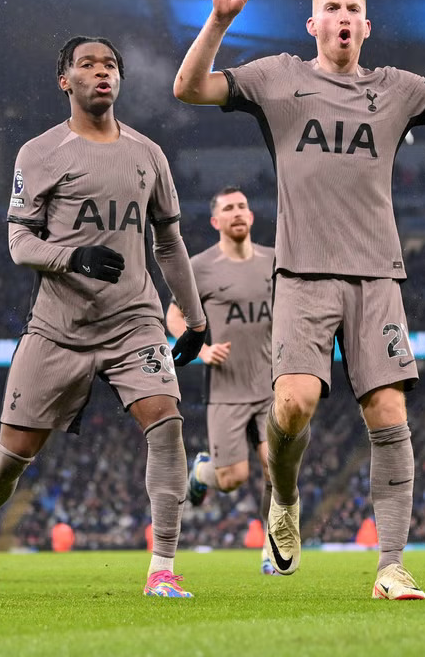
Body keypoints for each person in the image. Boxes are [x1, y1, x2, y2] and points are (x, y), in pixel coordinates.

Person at [173, 0, 425, 599]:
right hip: (300, 274)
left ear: (367, 26)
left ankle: (390, 564)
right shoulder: (277, 78)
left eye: (353, 10)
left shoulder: (397, 89)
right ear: (313, 23)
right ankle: (286, 499)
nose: (343, 19)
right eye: (332, 8)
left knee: (388, 410)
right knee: (293, 407)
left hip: (378, 277)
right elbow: (189, 88)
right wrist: (219, 19)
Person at [0, 36, 207, 600]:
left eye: (110, 65)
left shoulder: (149, 154)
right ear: (65, 81)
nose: (102, 72)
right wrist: (71, 256)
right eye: (88, 64)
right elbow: (19, 241)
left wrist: (194, 321)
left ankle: (163, 569)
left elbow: (169, 242)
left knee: (167, 424)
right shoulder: (39, 152)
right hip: (58, 329)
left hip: (134, 323)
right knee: (11, 457)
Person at [165, 185, 276, 574]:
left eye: (243, 206)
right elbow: (174, 316)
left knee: (276, 466)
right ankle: (201, 472)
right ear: (216, 221)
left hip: (270, 387)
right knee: (232, 479)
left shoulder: (275, 262)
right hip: (226, 389)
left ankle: (272, 548)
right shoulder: (200, 267)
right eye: (228, 208)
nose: (237, 213)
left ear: (253, 215)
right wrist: (201, 348)